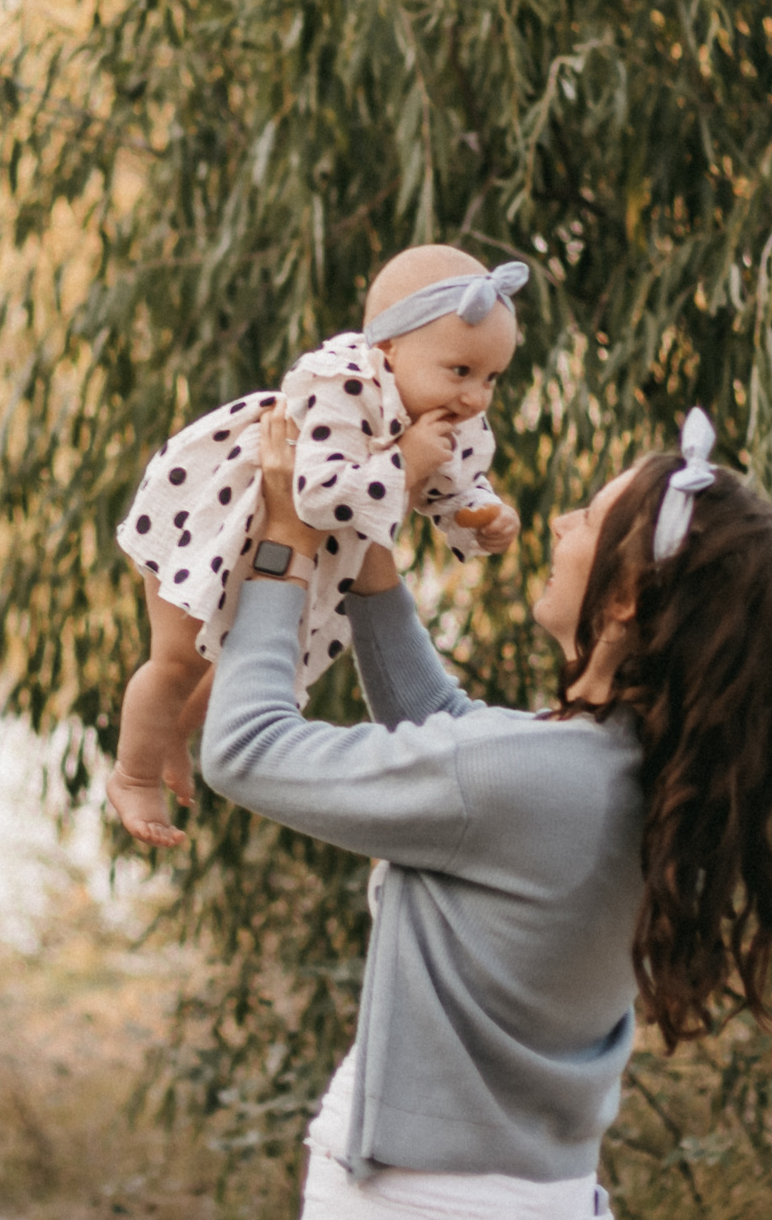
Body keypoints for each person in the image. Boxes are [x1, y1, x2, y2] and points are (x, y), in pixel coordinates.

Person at [202, 402, 772, 1220]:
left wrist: (280, 547)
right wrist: (365, 544)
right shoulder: (642, 769)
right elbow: (453, 738)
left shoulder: (535, 777)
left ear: (621, 599)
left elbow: (245, 748)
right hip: (532, 1208)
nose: (561, 523)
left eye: (588, 516)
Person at [109, 244, 529, 846]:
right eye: (461, 372)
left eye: (491, 378)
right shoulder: (342, 382)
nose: (476, 397)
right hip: (216, 515)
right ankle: (132, 773)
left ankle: (171, 732)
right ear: (388, 350)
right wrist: (405, 463)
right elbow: (315, 495)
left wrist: (480, 515)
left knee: (229, 663)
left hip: (305, 546)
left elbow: (449, 485)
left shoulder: (450, 410)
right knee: (177, 660)